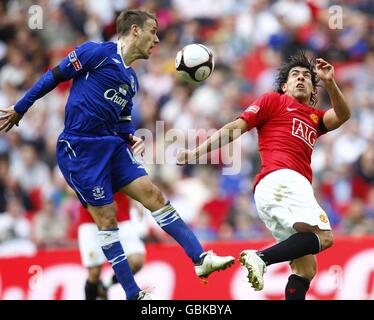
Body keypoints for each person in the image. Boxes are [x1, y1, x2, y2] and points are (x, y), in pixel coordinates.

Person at [0, 9, 234, 300]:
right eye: (153, 31)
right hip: (79, 148)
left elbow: (122, 118)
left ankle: (200, 259)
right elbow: (54, 76)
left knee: (154, 196)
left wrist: (130, 136)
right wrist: (20, 108)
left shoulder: (132, 80)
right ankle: (132, 293)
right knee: (107, 217)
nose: (157, 39)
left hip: (111, 145)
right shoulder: (95, 53)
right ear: (135, 30)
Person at [177, 52, 351, 300]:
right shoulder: (273, 101)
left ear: (314, 90)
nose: (300, 78)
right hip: (282, 180)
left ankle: (263, 260)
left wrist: (330, 81)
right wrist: (197, 152)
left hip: (275, 192)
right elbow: (234, 128)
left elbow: (343, 115)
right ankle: (260, 258)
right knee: (325, 236)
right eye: (294, 75)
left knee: (305, 268)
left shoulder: (316, 119)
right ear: (284, 86)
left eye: (306, 77)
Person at [78, 192, 145, 300]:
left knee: (136, 260)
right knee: (94, 273)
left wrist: (137, 199)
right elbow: (70, 188)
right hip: (91, 221)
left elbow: (128, 177)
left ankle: (105, 286)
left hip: (121, 217)